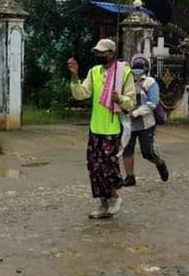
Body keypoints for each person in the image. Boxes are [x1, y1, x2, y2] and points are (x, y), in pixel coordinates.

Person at [67, 39, 137, 219]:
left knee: (108, 166)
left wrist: (119, 98)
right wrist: (75, 77)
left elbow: (131, 102)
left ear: (111, 53)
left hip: (113, 128)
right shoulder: (94, 72)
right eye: (97, 52)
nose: (99, 55)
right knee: (94, 167)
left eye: (102, 52)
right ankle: (102, 204)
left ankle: (114, 197)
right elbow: (81, 93)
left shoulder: (124, 73)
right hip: (95, 127)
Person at [120, 55, 169, 186]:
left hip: (146, 123)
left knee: (147, 152)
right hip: (128, 123)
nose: (136, 70)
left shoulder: (150, 82)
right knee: (127, 149)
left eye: (139, 68)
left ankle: (160, 163)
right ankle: (130, 176)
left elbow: (152, 103)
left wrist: (136, 113)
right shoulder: (126, 81)